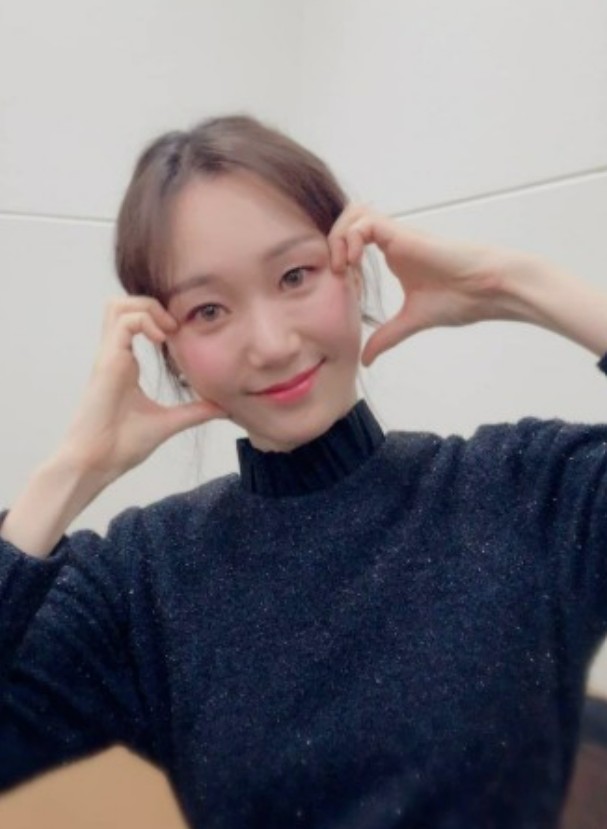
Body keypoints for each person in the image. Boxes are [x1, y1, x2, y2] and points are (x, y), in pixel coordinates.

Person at [1, 114, 606, 829]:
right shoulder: (141, 582)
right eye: (208, 310)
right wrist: (69, 471)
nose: (271, 343)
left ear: (353, 268)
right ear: (169, 349)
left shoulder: (529, 490)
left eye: (295, 275)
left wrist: (521, 284)